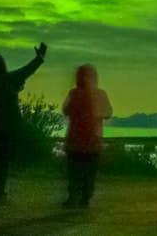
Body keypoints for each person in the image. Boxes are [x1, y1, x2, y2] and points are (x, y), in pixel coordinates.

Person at [0, 42, 47, 203]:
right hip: (6, 128)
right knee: (2, 162)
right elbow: (28, 70)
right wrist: (39, 58)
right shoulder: (10, 79)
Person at [62, 64, 113, 209]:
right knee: (89, 172)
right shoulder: (100, 94)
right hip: (93, 140)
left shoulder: (73, 93)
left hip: (75, 140)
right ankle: (85, 198)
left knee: (74, 171)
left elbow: (65, 110)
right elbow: (108, 112)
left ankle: (73, 197)